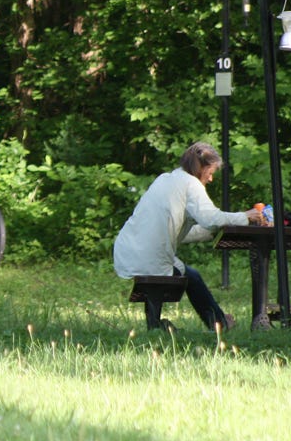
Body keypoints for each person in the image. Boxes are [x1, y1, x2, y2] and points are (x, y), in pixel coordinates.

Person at [113, 142, 265, 331]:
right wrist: (245, 216)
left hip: (128, 250)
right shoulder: (191, 184)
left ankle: (170, 325)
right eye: (210, 172)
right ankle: (219, 323)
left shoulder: (165, 179)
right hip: (149, 256)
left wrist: (209, 233)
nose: (210, 179)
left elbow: (172, 230)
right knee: (192, 277)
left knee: (185, 274)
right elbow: (211, 218)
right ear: (201, 167)